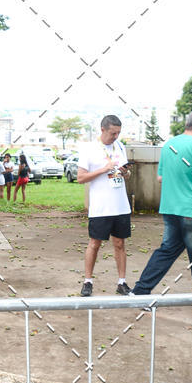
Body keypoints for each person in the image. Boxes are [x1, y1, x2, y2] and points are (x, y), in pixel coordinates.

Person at [132, 109, 192, 310]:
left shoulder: (169, 145)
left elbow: (161, 178)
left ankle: (139, 292)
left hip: (171, 209)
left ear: (187, 124)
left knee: (166, 251)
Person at [77, 115, 132, 296]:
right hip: (101, 207)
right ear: (102, 130)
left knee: (120, 243)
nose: (115, 136)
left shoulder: (120, 146)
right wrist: (103, 169)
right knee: (95, 243)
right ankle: (87, 281)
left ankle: (122, 282)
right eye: (112, 133)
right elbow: (80, 178)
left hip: (121, 205)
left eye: (118, 133)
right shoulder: (89, 149)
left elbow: (127, 174)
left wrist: (125, 173)